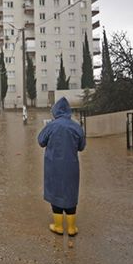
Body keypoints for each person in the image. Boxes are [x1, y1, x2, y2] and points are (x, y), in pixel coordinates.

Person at [37, 97, 86, 236]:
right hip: (71, 167)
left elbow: (41, 141)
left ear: (55, 111)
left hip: (53, 167)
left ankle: (58, 226)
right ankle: (71, 228)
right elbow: (82, 146)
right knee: (70, 193)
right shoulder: (76, 127)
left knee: (56, 193)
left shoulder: (51, 126)